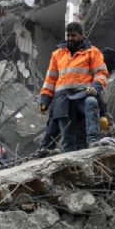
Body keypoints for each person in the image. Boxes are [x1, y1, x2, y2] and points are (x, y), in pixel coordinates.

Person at [39, 23, 108, 152]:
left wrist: (96, 87)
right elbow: (50, 79)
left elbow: (101, 73)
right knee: (66, 135)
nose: (70, 38)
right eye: (68, 35)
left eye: (73, 35)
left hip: (83, 95)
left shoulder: (92, 52)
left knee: (91, 102)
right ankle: (68, 155)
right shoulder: (57, 54)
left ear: (81, 36)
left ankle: (93, 140)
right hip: (63, 99)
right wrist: (45, 100)